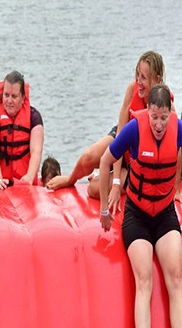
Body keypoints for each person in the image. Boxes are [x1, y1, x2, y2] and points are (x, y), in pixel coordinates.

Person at [99, 85, 182, 328]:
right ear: (148, 112)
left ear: (170, 115)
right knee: (143, 279)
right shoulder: (134, 130)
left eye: (163, 118)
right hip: (136, 214)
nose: (159, 125)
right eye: (155, 118)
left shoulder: (178, 128)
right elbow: (105, 161)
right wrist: (106, 212)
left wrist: (177, 191)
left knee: (176, 278)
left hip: (164, 213)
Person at [47, 51, 168, 214]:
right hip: (123, 140)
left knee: (92, 190)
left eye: (144, 78)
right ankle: (70, 179)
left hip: (138, 163)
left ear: (158, 79)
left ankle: (102, 177)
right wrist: (116, 182)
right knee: (89, 157)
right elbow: (120, 136)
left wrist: (175, 189)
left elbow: (176, 146)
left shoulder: (165, 106)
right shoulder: (132, 89)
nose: (138, 82)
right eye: (137, 75)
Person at [0, 70, 44, 188]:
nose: (9, 101)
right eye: (6, 95)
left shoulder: (34, 118)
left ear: (22, 97)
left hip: (24, 180)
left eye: (14, 96)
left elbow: (36, 151)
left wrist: (30, 176)